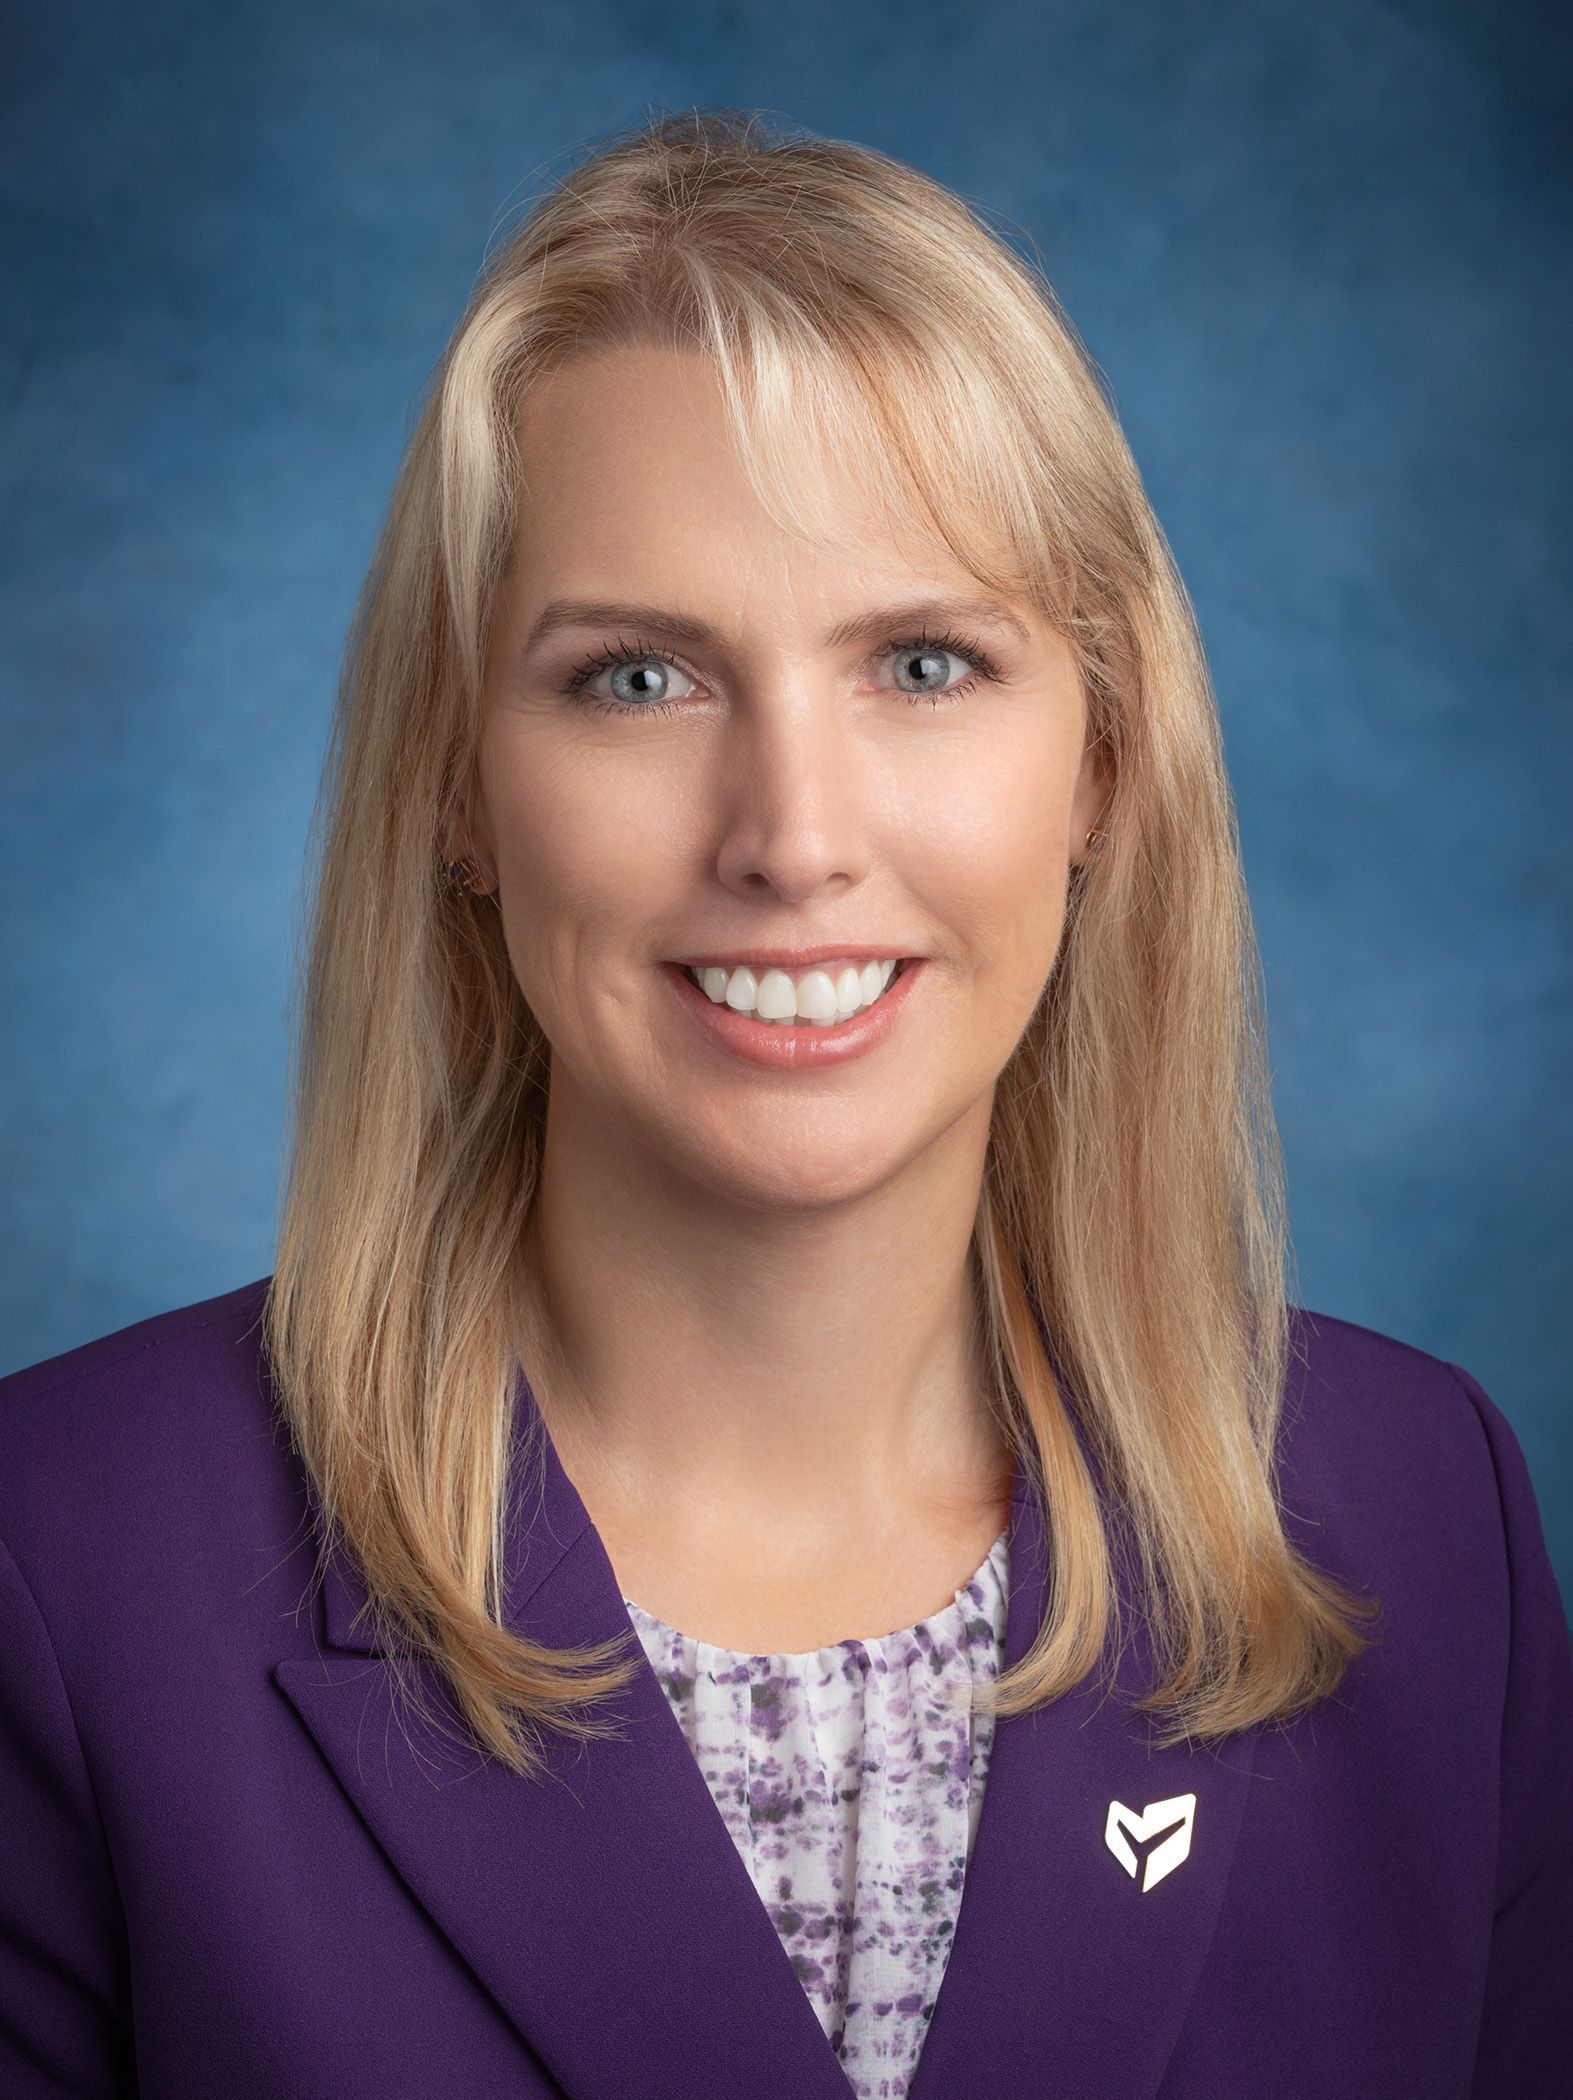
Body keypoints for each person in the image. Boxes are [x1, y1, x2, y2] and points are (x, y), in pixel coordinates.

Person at [1, 105, 1569, 2100]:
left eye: (921, 662)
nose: (793, 837)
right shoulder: (60, 1562)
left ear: (1099, 766)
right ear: (457, 789)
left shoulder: (1419, 1513)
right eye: (636, 679)